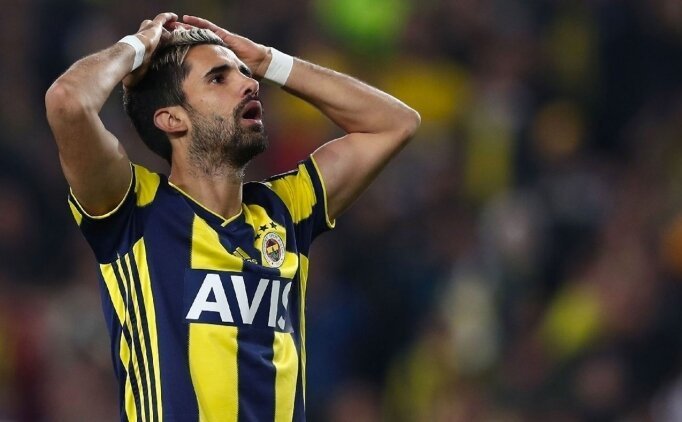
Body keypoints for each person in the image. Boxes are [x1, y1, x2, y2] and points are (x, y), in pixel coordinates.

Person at [45, 12, 420, 421]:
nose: (249, 83)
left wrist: (269, 61)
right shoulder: (135, 209)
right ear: (172, 119)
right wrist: (137, 47)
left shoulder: (286, 208)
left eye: (244, 73)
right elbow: (68, 102)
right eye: (218, 78)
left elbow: (396, 123)